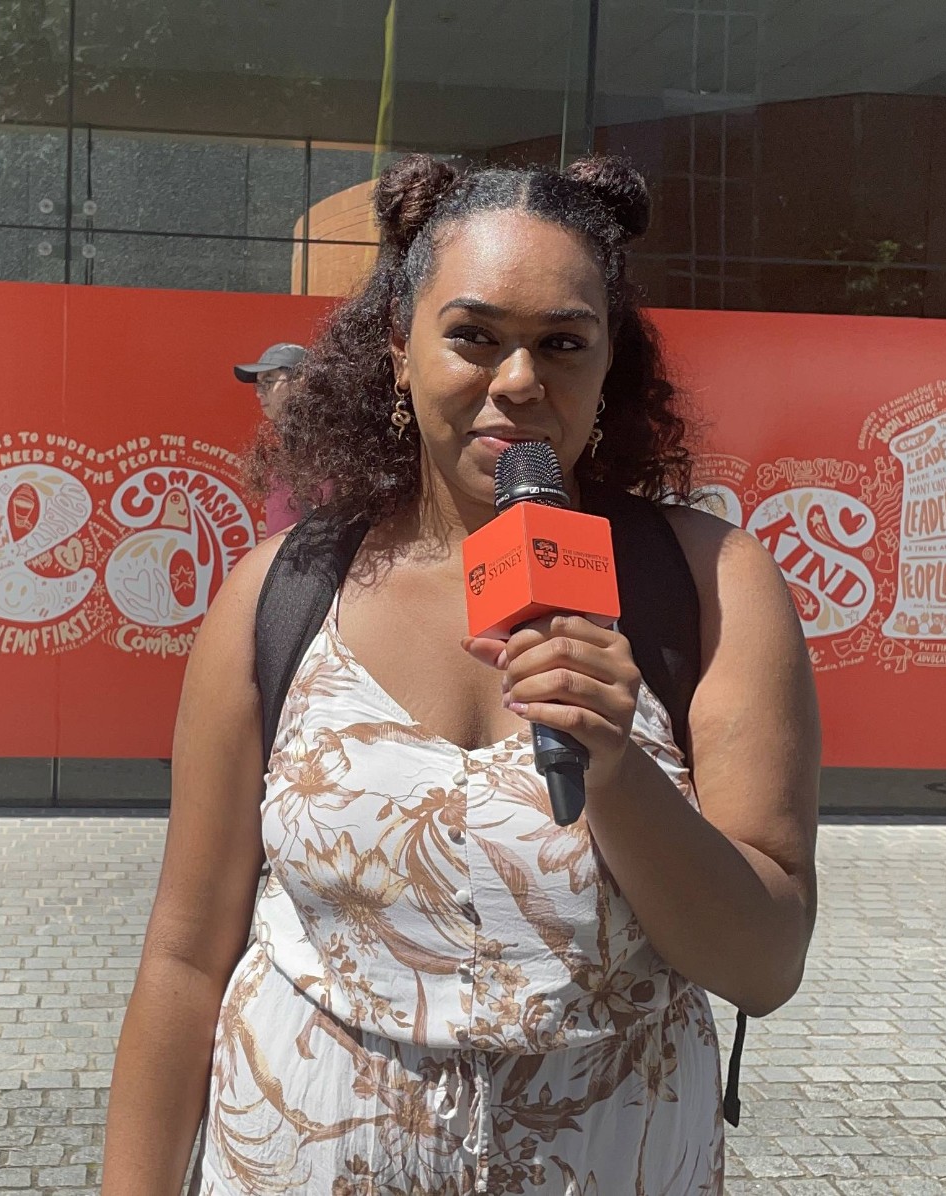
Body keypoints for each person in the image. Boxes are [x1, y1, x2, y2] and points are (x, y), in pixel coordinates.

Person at [102, 154, 819, 1195]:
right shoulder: (279, 593)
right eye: (473, 336)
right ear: (398, 347)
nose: (518, 381)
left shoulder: (711, 585)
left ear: (608, 362)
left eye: (560, 343)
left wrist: (616, 768)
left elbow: (762, 962)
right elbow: (181, 960)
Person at [233, 342, 306, 535]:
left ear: (301, 381)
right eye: (258, 385)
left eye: (268, 382)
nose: (259, 393)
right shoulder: (285, 449)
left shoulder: (330, 449)